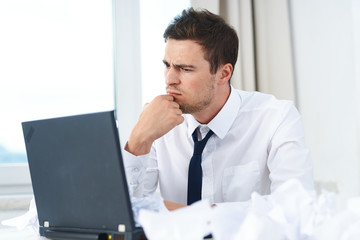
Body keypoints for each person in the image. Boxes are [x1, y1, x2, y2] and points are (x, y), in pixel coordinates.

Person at [123, 8, 313, 209]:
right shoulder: (157, 122)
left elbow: (296, 208)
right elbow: (124, 213)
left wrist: (187, 213)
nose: (169, 79)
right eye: (167, 66)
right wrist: (139, 139)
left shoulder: (276, 118)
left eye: (185, 69)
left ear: (223, 74)